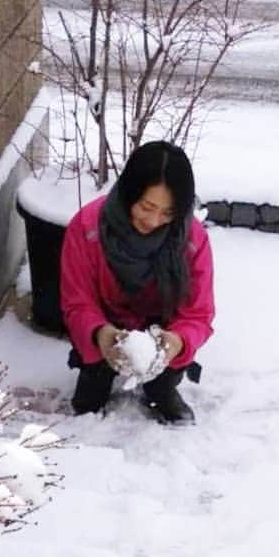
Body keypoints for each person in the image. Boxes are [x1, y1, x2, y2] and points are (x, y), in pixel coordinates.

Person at [60, 140, 215, 424]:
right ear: (130, 193)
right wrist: (103, 337)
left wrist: (175, 344)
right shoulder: (86, 228)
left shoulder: (192, 240)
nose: (154, 220)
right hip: (105, 329)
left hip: (162, 332)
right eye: (147, 206)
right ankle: (97, 375)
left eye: (168, 213)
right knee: (88, 402)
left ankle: (161, 386)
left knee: (162, 386)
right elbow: (77, 302)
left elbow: (198, 313)